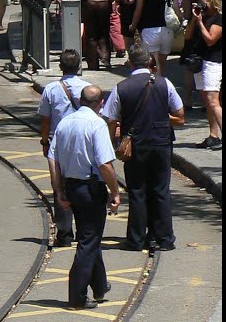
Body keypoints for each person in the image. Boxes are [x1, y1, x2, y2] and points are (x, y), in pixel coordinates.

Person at [101, 44, 185, 252]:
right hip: (161, 143)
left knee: (137, 191)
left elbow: (111, 119)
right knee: (160, 190)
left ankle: (136, 239)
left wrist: (111, 144)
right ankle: (164, 238)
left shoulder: (122, 87)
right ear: (150, 62)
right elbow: (180, 117)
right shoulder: (166, 84)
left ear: (130, 63)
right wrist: (160, 119)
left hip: (134, 146)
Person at [47, 84, 121, 310]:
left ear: (80, 100)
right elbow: (105, 164)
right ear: (100, 104)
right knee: (88, 241)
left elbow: (53, 160)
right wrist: (115, 191)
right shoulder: (96, 124)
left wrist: (59, 191)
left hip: (72, 187)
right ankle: (76, 296)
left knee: (91, 235)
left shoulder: (64, 123)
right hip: (90, 189)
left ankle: (99, 287)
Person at [37, 49, 90, 247]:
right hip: (82, 141)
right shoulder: (87, 87)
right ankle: (85, 229)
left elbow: (45, 119)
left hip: (58, 142)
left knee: (59, 185)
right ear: (79, 67)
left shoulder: (51, 89)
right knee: (83, 180)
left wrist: (44, 142)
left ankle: (65, 233)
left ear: (60, 67)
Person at [175, 0, 216, 109]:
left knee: (190, 66)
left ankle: (187, 100)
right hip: (210, 27)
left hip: (194, 29)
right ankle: (207, 101)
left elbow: (187, 15)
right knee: (208, 63)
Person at [188, 0, 223, 150]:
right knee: (208, 102)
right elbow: (187, 36)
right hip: (200, 62)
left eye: (206, 1)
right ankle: (213, 136)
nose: (203, 4)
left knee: (214, 101)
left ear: (214, 2)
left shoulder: (219, 19)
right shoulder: (200, 17)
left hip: (213, 63)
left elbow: (210, 40)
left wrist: (201, 23)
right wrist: (195, 20)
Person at [129, 0, 173, 78]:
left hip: (150, 30)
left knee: (152, 61)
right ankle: (163, 81)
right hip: (167, 30)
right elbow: (177, 10)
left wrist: (133, 25)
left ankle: (154, 83)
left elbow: (138, 11)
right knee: (163, 61)